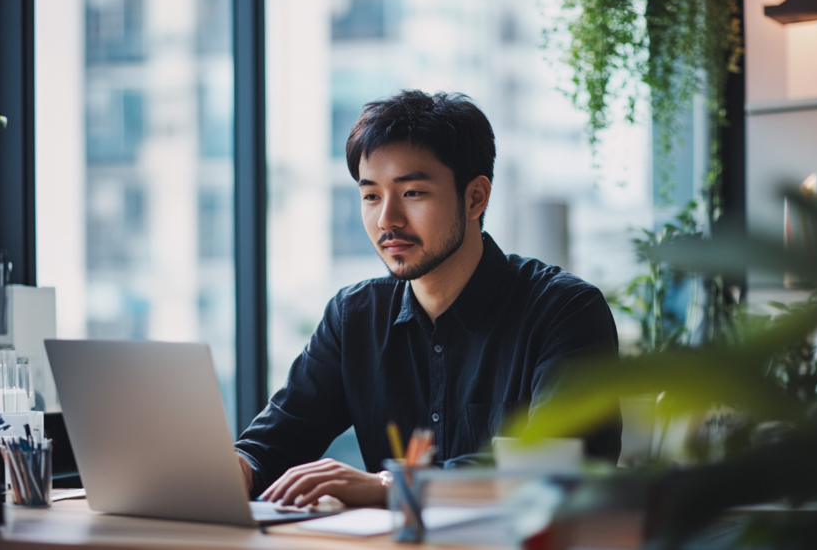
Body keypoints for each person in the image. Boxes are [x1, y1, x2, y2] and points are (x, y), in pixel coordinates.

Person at [234, 90, 621, 508]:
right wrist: (233, 469)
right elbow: (273, 444)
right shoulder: (354, 317)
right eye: (371, 196)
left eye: (412, 193)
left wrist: (391, 487)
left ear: (476, 197)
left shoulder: (565, 311)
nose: (387, 220)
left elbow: (560, 466)